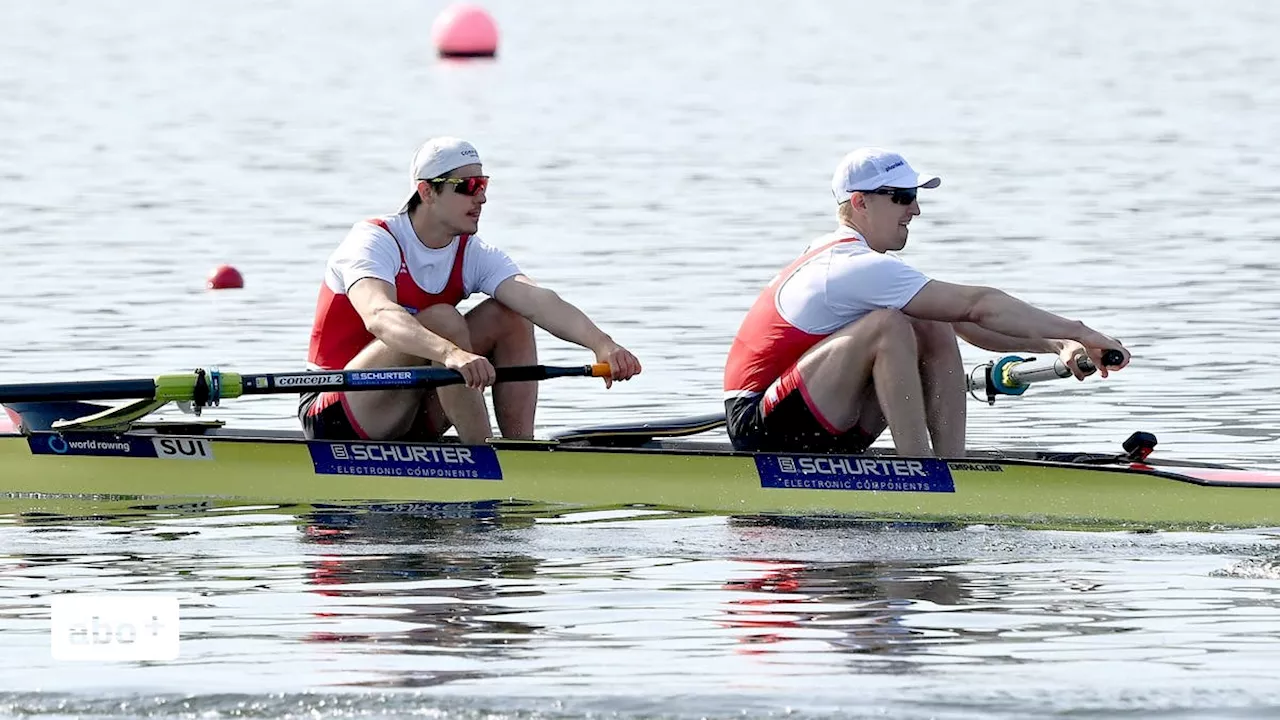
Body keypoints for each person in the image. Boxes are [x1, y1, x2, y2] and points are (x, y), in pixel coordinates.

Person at [722, 147, 1130, 458]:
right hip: (760, 425)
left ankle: (950, 469)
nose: (915, 209)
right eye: (901, 196)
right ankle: (921, 476)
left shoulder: (865, 266)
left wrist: (1057, 345)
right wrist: (1078, 330)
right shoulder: (846, 265)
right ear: (861, 202)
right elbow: (980, 304)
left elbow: (966, 322)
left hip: (815, 413)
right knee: (888, 325)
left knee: (930, 321)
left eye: (913, 196)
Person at [302, 136, 641, 443]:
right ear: (427, 192)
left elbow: (538, 301)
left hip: (414, 403)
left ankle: (520, 448)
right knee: (443, 321)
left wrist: (602, 344)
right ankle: (486, 457)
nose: (482, 197)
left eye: (484, 184)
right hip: (335, 407)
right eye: (468, 185)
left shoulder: (472, 253)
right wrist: (450, 353)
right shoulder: (375, 241)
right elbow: (379, 315)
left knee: (510, 314)